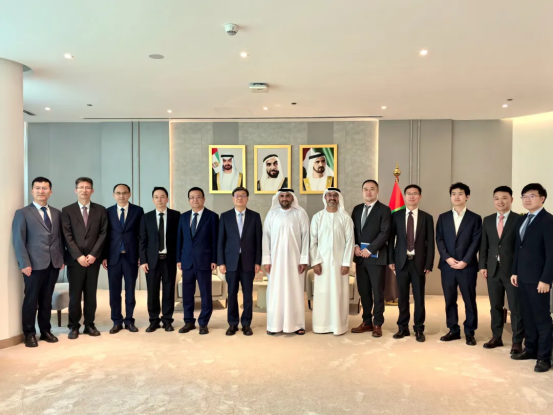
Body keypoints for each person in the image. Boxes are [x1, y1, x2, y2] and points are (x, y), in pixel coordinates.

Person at [12, 177, 65, 348]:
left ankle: (45, 330)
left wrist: (61, 258)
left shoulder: (57, 213)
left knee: (46, 299)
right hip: (33, 265)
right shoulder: (23, 213)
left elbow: (60, 238)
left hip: (53, 263)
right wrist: (24, 263)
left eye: (45, 188)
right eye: (37, 188)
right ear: (32, 191)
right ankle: (29, 333)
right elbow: (19, 240)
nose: (41, 191)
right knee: (31, 299)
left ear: (50, 191)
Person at [511, 183, 553, 373]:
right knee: (527, 316)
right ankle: (531, 349)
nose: (527, 200)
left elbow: (551, 254)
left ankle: (544, 357)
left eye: (532, 196)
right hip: (522, 277)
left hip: (539, 280)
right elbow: (517, 249)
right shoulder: (522, 219)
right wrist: (514, 272)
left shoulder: (548, 220)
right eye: (524, 196)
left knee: (542, 319)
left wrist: (546, 279)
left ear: (542, 198)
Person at [61, 177, 108, 339]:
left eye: (87, 187)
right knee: (75, 295)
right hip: (75, 261)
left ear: (92, 191)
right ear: (76, 190)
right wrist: (79, 256)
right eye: (81, 187)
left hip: (93, 260)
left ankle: (89, 324)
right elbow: (67, 235)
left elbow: (103, 234)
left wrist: (94, 254)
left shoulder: (100, 210)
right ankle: (74, 326)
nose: (84, 190)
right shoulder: (67, 210)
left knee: (91, 294)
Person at [436, 182, 482, 346]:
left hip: (467, 267)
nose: (456, 197)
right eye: (453, 194)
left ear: (467, 197)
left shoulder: (475, 218)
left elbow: (476, 242)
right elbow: (439, 240)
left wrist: (465, 261)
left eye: (460, 194)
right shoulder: (443, 217)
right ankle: (453, 330)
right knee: (450, 299)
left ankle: (470, 332)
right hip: (447, 266)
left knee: (469, 299)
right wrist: (447, 258)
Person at [479, 186, 524, 354]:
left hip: (512, 271)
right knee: (495, 306)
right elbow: (484, 245)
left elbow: (521, 247)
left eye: (504, 198)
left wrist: (518, 269)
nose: (500, 201)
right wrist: (482, 265)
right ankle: (496, 337)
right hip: (492, 270)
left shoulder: (519, 219)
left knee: (515, 307)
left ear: (511, 200)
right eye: (497, 198)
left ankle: (517, 341)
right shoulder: (488, 220)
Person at [388, 184, 434, 342]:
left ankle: (419, 329)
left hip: (419, 263)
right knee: (402, 297)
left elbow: (430, 243)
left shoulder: (427, 217)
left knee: (419, 298)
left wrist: (429, 264)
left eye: (415, 194)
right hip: (401, 262)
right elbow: (391, 240)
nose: (412, 196)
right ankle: (403, 327)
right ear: (405, 196)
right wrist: (391, 260)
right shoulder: (396, 216)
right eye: (409, 193)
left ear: (420, 197)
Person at [262, 188, 310, 335]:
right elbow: (266, 238)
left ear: (292, 198)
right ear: (278, 198)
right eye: (282, 196)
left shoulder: (300, 214)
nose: (284, 198)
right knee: (275, 292)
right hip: (275, 261)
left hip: (295, 261)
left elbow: (306, 237)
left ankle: (297, 325)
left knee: (295, 291)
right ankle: (274, 325)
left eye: (287, 196)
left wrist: (304, 259)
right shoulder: (272, 214)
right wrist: (267, 260)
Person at [217, 187, 262, 336]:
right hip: (230, 262)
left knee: (248, 294)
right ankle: (233, 323)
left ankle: (246, 323)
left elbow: (258, 241)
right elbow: (220, 241)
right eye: (237, 196)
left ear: (247, 199)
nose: (240, 198)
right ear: (233, 198)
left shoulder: (255, 216)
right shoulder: (225, 216)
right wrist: (221, 262)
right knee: (232, 293)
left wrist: (258, 262)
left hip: (249, 261)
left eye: (243, 196)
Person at [310, 188, 354, 335]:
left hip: (340, 265)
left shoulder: (345, 218)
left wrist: (346, 263)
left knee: (339, 294)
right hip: (322, 264)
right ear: (325, 198)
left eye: (335, 195)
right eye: (329, 195)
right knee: (322, 293)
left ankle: (338, 326)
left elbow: (350, 241)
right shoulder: (317, 217)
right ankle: (321, 326)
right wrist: (316, 262)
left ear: (339, 198)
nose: (332, 198)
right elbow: (313, 242)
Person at [350, 180, 391, 337]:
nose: (368, 192)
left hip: (376, 258)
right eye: (365, 189)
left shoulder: (384, 210)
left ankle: (377, 323)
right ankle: (366, 322)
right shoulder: (357, 209)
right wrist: (355, 245)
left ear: (377, 191)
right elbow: (352, 230)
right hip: (360, 258)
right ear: (362, 191)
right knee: (364, 291)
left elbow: (385, 233)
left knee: (377, 292)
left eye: (372, 189)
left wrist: (370, 249)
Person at [102, 184, 144, 334]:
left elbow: (142, 235)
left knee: (130, 291)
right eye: (118, 193)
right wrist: (104, 256)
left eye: (124, 193)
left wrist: (141, 256)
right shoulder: (107, 212)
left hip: (131, 257)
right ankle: (116, 321)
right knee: (114, 291)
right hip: (113, 257)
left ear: (129, 194)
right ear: (114, 195)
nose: (121, 196)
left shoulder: (138, 211)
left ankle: (129, 321)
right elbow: (104, 236)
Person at [177, 187, 219, 335]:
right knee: (187, 294)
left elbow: (216, 240)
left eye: (198, 197)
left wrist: (214, 259)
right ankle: (188, 322)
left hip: (205, 260)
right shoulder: (183, 217)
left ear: (204, 199)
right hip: (187, 261)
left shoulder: (212, 216)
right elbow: (179, 240)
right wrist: (179, 258)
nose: (195, 200)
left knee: (205, 293)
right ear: (189, 200)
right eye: (192, 197)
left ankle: (203, 323)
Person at [139, 187, 180, 333]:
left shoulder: (176, 216)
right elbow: (142, 240)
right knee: (152, 292)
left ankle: (167, 320)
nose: (159, 199)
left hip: (169, 260)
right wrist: (143, 260)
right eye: (156, 197)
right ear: (153, 200)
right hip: (152, 261)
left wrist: (179, 258)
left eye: (162, 196)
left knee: (169, 291)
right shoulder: (146, 217)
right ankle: (154, 320)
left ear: (167, 199)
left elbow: (179, 239)